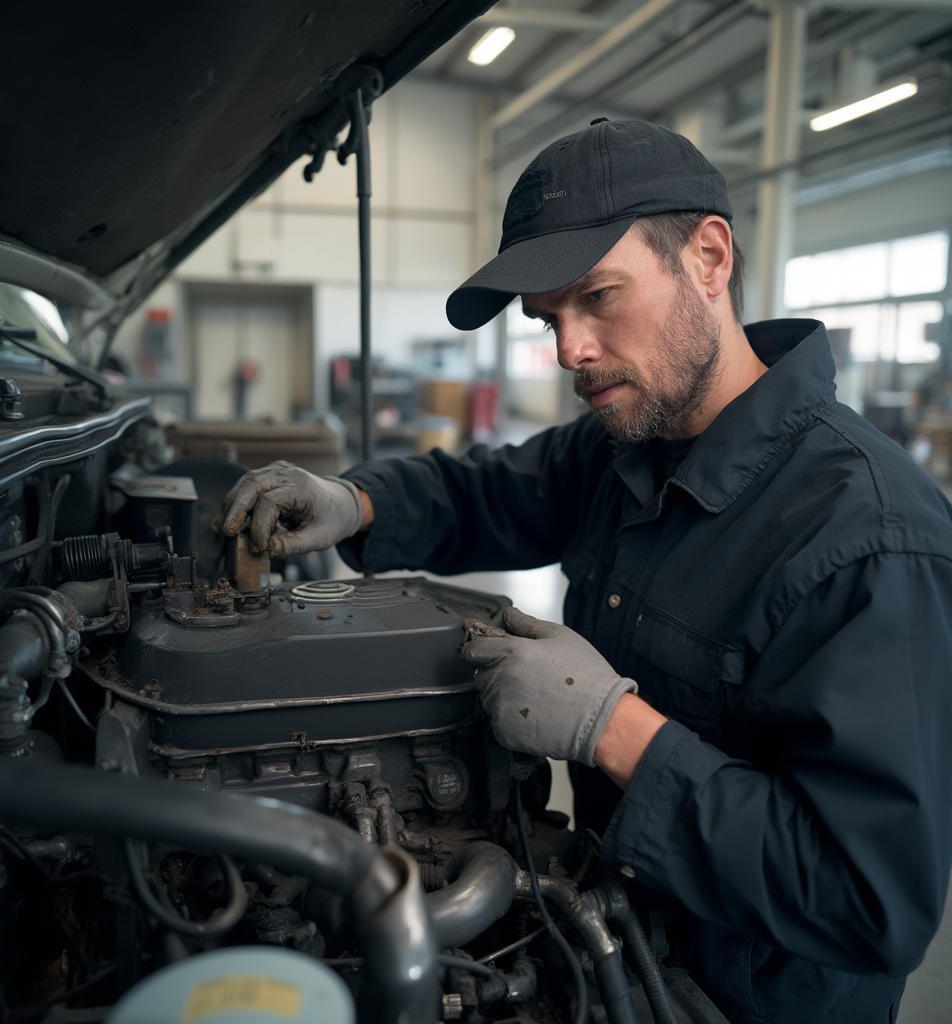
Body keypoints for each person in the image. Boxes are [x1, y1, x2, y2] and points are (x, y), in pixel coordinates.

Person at [219, 119, 952, 1024]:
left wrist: (617, 731)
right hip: (608, 941)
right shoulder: (632, 445)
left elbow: (866, 901)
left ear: (710, 259)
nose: (569, 350)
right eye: (550, 320)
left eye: (598, 297)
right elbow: (489, 491)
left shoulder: (870, 539)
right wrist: (353, 502)